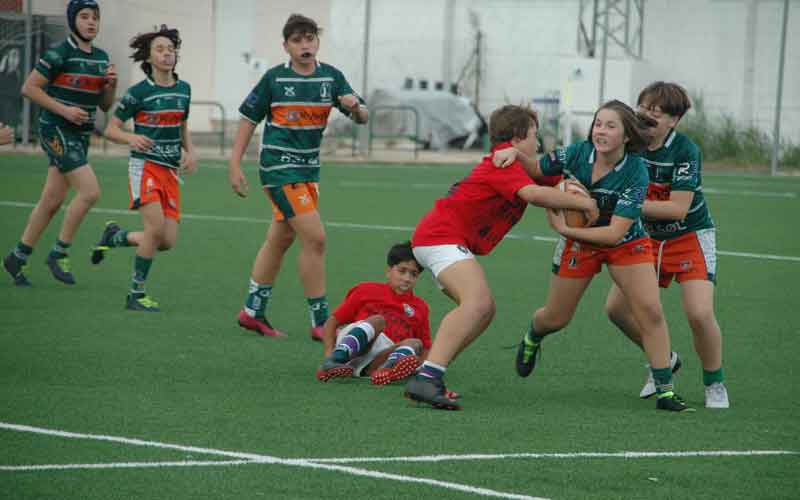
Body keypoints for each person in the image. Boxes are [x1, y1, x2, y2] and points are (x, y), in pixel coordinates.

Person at [494, 100, 693, 412]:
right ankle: (533, 335)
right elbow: (538, 169)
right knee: (556, 317)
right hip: (580, 246)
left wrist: (567, 230)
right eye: (598, 123)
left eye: (610, 126)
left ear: (627, 136)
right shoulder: (576, 152)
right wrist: (516, 154)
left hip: (625, 241)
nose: (600, 130)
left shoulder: (636, 171)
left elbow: (614, 234)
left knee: (650, 311)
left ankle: (665, 391)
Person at [404, 104, 599, 410]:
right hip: (440, 235)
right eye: (535, 135)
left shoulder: (519, 163)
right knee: (477, 303)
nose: (538, 143)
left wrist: (577, 188)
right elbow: (534, 195)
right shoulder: (503, 162)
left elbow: (552, 180)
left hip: (443, 238)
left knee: (485, 310)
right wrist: (585, 205)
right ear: (519, 137)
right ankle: (428, 378)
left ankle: (428, 369)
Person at [228, 14, 368, 339]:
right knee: (316, 238)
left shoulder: (331, 78)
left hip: (308, 170)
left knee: (280, 239)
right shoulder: (274, 79)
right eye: (297, 40)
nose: (304, 45)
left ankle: (252, 311)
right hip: (278, 168)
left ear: (317, 42)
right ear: (286, 46)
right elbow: (248, 119)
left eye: (309, 39)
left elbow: (361, 116)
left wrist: (356, 107)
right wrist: (234, 164)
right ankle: (321, 321)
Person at [604, 82, 729, 408]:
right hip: (645, 239)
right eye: (643, 107)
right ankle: (664, 359)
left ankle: (714, 382)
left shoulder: (685, 150)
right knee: (615, 310)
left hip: (688, 236)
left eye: (656, 112)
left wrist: (625, 202)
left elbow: (677, 209)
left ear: (673, 121)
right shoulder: (628, 144)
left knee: (700, 314)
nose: (646, 116)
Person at [3, 0, 116, 287]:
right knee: (90, 192)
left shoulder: (102, 58)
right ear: (72, 21)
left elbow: (104, 106)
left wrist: (110, 87)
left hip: (79, 135)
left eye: (95, 17)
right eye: (84, 16)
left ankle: (18, 256)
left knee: (52, 201)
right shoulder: (59, 53)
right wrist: (64, 110)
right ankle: (59, 252)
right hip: (55, 129)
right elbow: (29, 88)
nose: (91, 22)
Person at [92, 25, 196, 312]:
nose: (166, 54)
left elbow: (182, 124)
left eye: (170, 49)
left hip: (170, 172)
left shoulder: (183, 89)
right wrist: (131, 138)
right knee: (154, 229)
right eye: (160, 50)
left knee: (166, 241)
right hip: (145, 167)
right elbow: (111, 129)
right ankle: (136, 294)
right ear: (148, 58)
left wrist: (190, 151)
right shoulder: (138, 92)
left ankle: (115, 237)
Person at [316, 241, 432, 386]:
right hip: (355, 345)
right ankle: (334, 361)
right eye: (402, 271)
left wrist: (422, 370)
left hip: (380, 357)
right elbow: (332, 322)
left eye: (413, 274)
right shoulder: (366, 290)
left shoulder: (420, 307)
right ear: (388, 271)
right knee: (378, 320)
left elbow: (426, 347)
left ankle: (384, 371)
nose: (407, 279)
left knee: (415, 342)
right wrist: (328, 353)